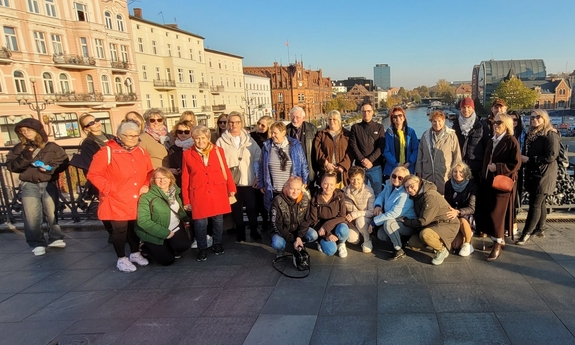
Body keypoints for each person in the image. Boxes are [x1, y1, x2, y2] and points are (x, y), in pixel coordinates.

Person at [87, 121, 154, 272]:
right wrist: (110, 188)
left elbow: (150, 172)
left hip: (136, 196)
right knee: (120, 230)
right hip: (116, 199)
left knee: (133, 227)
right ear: (119, 135)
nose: (133, 138)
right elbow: (93, 173)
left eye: (136, 136)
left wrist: (146, 184)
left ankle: (135, 253)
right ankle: (121, 258)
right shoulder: (107, 151)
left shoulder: (141, 151)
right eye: (129, 136)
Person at [6, 118, 69, 256]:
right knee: (31, 215)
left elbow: (63, 162)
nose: (26, 133)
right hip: (28, 183)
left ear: (37, 130)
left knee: (51, 211)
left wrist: (49, 169)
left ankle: (55, 238)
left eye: (28, 130)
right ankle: (37, 243)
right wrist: (25, 157)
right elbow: (11, 166)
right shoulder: (20, 148)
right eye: (22, 131)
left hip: (48, 182)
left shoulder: (51, 146)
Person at [181, 125, 237, 262]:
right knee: (200, 223)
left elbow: (225, 170)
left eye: (203, 138)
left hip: (217, 190)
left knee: (218, 220)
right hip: (199, 192)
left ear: (208, 138)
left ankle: (217, 243)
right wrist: (186, 200)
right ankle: (202, 248)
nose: (200, 141)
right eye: (197, 138)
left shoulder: (218, 151)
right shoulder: (187, 154)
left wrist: (231, 188)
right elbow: (185, 177)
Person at [475, 112, 521, 261]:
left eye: (499, 123)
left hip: (501, 184)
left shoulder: (511, 141)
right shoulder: (491, 141)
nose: (495, 126)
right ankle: (496, 241)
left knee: (498, 215)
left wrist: (498, 168)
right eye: (494, 123)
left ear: (506, 125)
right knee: (489, 211)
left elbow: (516, 163)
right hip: (489, 182)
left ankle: (498, 244)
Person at [216, 111, 262, 242]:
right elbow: (218, 162)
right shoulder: (221, 141)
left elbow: (258, 158)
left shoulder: (249, 140)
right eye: (231, 122)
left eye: (237, 122)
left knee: (251, 207)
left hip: (248, 180)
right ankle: (240, 231)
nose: (234, 125)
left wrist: (257, 176)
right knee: (236, 208)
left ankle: (254, 230)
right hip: (231, 181)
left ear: (242, 123)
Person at [516, 109, 559, 245]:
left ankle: (526, 233)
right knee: (541, 203)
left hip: (544, 174)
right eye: (532, 117)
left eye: (538, 117)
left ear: (545, 118)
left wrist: (529, 159)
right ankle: (540, 228)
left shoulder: (550, 134)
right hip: (535, 173)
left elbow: (551, 156)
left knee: (535, 204)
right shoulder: (533, 134)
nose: (534, 119)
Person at [135, 168, 191, 265]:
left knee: (184, 245)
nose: (162, 180)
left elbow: (179, 210)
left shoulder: (174, 192)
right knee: (167, 261)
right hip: (154, 233)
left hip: (174, 228)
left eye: (165, 177)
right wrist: (165, 233)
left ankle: (169, 246)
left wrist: (189, 218)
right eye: (158, 178)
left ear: (170, 179)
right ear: (153, 180)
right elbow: (143, 221)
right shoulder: (147, 197)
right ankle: (145, 247)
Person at [400, 175, 460, 265]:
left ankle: (441, 250)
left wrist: (406, 221)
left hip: (447, 223)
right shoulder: (417, 196)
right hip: (433, 224)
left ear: (418, 182)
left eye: (411, 186)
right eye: (407, 187)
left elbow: (424, 221)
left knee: (425, 235)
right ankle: (436, 241)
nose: (409, 189)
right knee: (413, 243)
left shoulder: (430, 196)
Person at [75, 113, 116, 241]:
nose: (96, 123)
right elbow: (91, 164)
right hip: (103, 179)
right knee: (106, 205)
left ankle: (121, 231)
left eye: (96, 120)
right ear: (86, 128)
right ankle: (112, 233)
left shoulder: (111, 137)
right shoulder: (88, 143)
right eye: (91, 123)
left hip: (117, 176)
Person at [258, 121, 309, 212]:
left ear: (283, 133)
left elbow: (303, 164)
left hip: (291, 189)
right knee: (276, 215)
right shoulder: (267, 147)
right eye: (272, 133)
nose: (273, 135)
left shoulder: (295, 146)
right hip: (273, 189)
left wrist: (305, 181)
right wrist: (261, 183)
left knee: (292, 214)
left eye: (275, 133)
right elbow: (261, 166)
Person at [372, 166, 416, 260]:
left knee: (388, 224)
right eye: (394, 176)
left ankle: (399, 249)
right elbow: (382, 195)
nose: (396, 179)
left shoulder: (405, 193)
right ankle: (401, 239)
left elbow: (393, 213)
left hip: (407, 223)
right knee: (381, 235)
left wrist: (373, 222)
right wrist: (378, 205)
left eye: (400, 178)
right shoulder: (389, 184)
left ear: (405, 180)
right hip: (396, 220)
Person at [302, 172, 349, 257]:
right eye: (326, 184)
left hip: (335, 226)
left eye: (331, 184)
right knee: (331, 251)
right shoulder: (315, 199)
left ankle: (341, 243)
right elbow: (314, 220)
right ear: (321, 183)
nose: (328, 187)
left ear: (335, 185)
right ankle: (320, 242)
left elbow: (342, 216)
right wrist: (328, 234)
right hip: (321, 230)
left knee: (344, 230)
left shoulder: (339, 196)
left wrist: (326, 226)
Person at [269, 176, 317, 257]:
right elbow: (277, 225)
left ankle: (300, 244)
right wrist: (292, 239)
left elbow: (307, 219)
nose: (295, 192)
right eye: (292, 189)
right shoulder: (277, 201)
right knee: (278, 243)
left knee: (313, 235)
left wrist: (299, 236)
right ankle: (281, 250)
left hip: (298, 230)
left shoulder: (305, 199)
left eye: (298, 189)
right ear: (286, 188)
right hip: (282, 231)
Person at [416, 110, 462, 195]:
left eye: (439, 121)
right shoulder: (425, 135)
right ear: (431, 122)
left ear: (444, 121)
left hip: (444, 175)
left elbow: (457, 155)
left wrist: (456, 173)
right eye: (434, 121)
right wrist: (419, 171)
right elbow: (420, 154)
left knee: (445, 197)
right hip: (428, 174)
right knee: (429, 197)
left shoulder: (451, 135)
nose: (437, 124)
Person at [349, 101, 385, 195]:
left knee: (377, 192)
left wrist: (370, 160)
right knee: (359, 192)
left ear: (373, 112)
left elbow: (381, 146)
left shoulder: (379, 127)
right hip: (360, 167)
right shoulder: (355, 128)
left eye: (368, 111)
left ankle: (377, 210)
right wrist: (362, 160)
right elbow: (353, 145)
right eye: (364, 111)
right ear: (360, 112)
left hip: (375, 166)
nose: (366, 113)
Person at [452, 98, 490, 182]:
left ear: (473, 108)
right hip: (460, 167)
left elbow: (487, 146)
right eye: (463, 107)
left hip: (476, 167)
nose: (466, 110)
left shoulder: (481, 125)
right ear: (460, 109)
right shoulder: (456, 125)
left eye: (469, 107)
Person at [444, 162, 477, 257]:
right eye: (455, 171)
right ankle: (461, 234)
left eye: (461, 172)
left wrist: (458, 212)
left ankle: (468, 243)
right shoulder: (448, 184)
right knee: (455, 246)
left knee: (462, 220)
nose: (457, 174)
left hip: (466, 215)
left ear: (466, 173)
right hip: (453, 214)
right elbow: (447, 202)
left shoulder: (472, 185)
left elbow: (471, 208)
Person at [313, 110, 351, 188]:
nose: (332, 121)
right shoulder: (321, 134)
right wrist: (326, 163)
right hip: (327, 170)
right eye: (330, 119)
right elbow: (317, 150)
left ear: (339, 121)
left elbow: (350, 152)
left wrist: (343, 165)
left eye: (334, 119)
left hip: (341, 172)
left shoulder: (347, 134)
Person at [343, 166, 375, 253]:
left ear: (363, 179)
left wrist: (355, 214)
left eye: (358, 179)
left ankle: (367, 240)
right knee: (352, 239)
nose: (355, 182)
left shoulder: (369, 191)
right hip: (351, 222)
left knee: (360, 221)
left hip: (364, 219)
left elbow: (371, 212)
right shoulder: (344, 191)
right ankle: (360, 236)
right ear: (349, 179)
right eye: (353, 179)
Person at [251, 115, 273, 233]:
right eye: (258, 123)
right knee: (259, 199)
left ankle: (271, 222)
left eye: (263, 125)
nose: (259, 126)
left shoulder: (271, 139)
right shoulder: (252, 136)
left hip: (270, 171)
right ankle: (264, 222)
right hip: (257, 171)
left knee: (269, 198)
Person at [383, 106, 419, 177]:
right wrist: (396, 164)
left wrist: (409, 163)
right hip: (393, 168)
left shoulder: (411, 132)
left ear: (404, 117)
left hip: (408, 168)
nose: (398, 118)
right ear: (392, 120)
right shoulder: (388, 133)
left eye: (400, 115)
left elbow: (416, 149)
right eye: (395, 117)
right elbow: (386, 151)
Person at [286, 106, 318, 186]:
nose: (295, 119)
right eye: (292, 117)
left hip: (309, 166)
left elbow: (317, 149)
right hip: (293, 169)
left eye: (297, 117)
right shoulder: (286, 130)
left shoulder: (312, 129)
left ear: (303, 118)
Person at [509, 110, 526, 236]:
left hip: (519, 170)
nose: (513, 122)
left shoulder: (522, 133)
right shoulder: (505, 133)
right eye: (511, 119)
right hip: (507, 170)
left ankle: (513, 224)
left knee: (515, 198)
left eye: (515, 120)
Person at [168, 120, 194, 187]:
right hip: (180, 182)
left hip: (195, 180)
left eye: (186, 132)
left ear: (191, 132)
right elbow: (171, 165)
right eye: (180, 132)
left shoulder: (196, 146)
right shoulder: (173, 149)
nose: (183, 134)